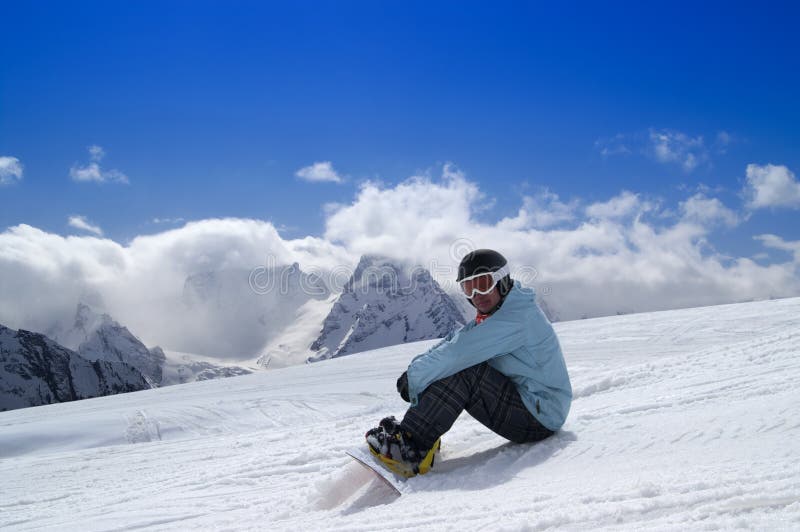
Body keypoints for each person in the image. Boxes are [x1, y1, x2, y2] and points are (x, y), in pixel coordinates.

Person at [365, 249, 572, 477]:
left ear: (502, 281)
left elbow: (457, 353)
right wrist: (415, 371)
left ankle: (410, 449)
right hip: (534, 405)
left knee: (463, 369)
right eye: (468, 287)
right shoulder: (506, 308)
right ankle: (416, 432)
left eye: (483, 284)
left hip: (540, 418)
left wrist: (414, 378)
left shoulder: (516, 318)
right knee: (445, 365)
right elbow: (456, 339)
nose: (476, 294)